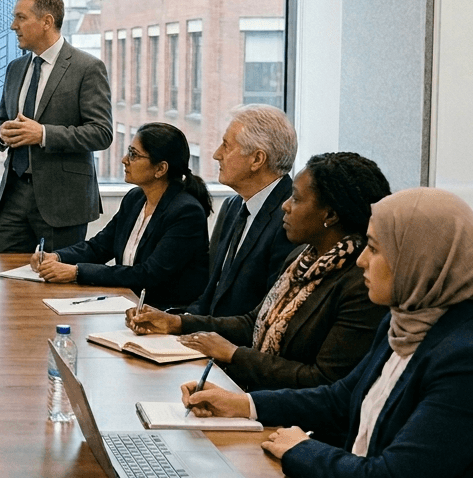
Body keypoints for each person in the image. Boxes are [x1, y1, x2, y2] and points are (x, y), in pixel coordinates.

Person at [180, 188, 473, 478]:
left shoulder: (466, 359)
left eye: (375, 248)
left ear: (420, 258)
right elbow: (340, 399)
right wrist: (243, 405)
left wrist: (300, 449)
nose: (362, 261)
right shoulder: (403, 321)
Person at [130, 152, 392, 390]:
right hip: (258, 395)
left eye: (297, 199)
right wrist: (178, 322)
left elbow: (323, 380)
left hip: (295, 420)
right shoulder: (301, 258)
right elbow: (253, 322)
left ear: (330, 215)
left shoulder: (360, 284)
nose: (285, 206)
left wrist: (233, 354)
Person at [29, 122, 210, 308]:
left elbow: (148, 275)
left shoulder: (186, 213)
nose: (124, 159)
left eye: (134, 155)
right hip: (126, 302)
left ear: (160, 169)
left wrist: (77, 272)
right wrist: (57, 257)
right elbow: (99, 247)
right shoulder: (135, 198)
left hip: (163, 313)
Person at [0, 0, 113, 253]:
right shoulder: (15, 68)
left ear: (47, 22)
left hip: (63, 203)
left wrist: (43, 134)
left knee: (57, 287)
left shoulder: (88, 68)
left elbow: (101, 132)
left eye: (21, 18)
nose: (13, 26)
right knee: (5, 285)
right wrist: (2, 133)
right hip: (13, 197)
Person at [178, 104, 299, 317]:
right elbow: (212, 294)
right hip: (207, 335)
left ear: (257, 159)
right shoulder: (232, 206)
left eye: (226, 146)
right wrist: (178, 321)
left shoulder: (292, 217)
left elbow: (267, 315)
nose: (216, 155)